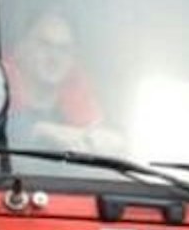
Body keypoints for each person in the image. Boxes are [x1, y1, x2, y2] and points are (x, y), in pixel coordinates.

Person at [7, 12, 115, 151]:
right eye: (44, 45)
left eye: (64, 49)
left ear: (73, 58)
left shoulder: (81, 108)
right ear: (21, 48)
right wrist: (38, 130)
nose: (54, 56)